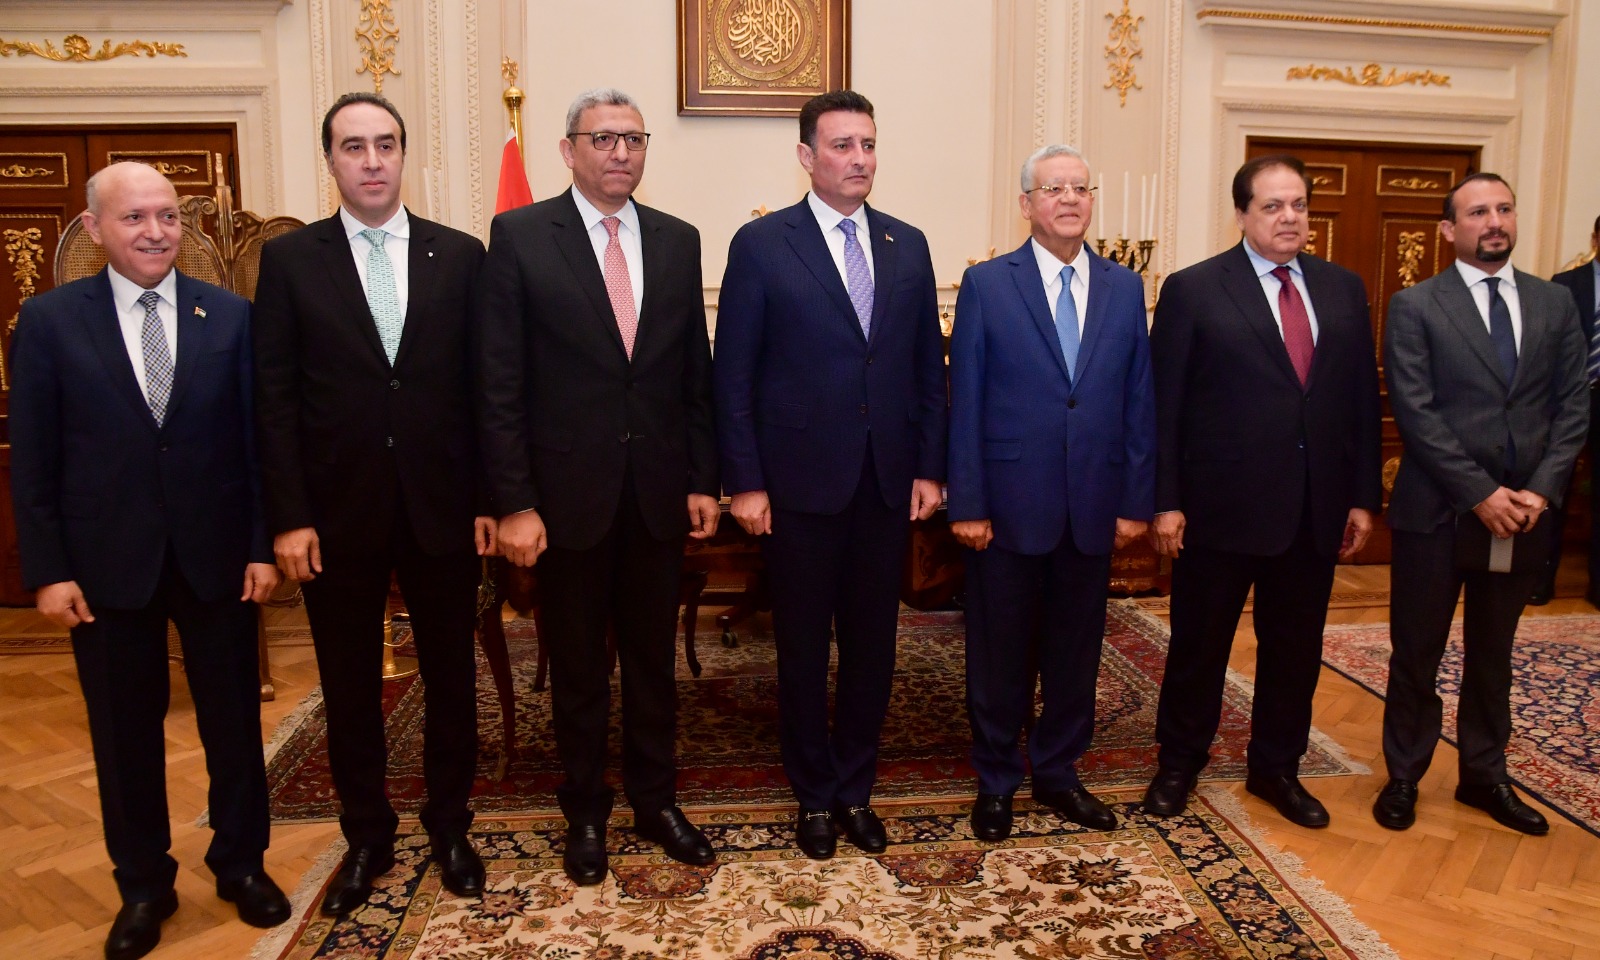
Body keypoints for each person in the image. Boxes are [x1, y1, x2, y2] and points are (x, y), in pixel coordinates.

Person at [9, 161, 290, 960]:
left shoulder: (230, 315)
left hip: (218, 561)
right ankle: (143, 885)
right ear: (94, 229)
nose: (156, 231)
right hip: (104, 568)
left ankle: (241, 864)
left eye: (167, 216)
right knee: (122, 735)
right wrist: (48, 570)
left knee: (233, 726)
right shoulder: (49, 321)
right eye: (134, 217)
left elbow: (258, 445)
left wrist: (260, 546)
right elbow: (34, 459)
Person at [252, 92, 490, 914]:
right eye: (354, 146)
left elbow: (485, 389)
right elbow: (274, 399)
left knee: (452, 678)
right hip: (335, 514)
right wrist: (288, 516)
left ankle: (451, 827)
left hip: (443, 508)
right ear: (331, 160)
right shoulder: (290, 262)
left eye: (385, 143)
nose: (373, 160)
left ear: (403, 154)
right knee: (349, 686)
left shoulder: (460, 256)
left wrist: (489, 498)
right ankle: (367, 837)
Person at [477, 88, 719, 886]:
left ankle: (656, 801)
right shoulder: (520, 236)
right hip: (564, 500)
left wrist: (702, 479)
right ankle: (584, 810)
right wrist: (515, 501)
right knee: (578, 668)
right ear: (568, 149)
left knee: (653, 664)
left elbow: (692, 374)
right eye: (603, 138)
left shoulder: (678, 240)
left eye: (633, 139)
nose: (621, 152)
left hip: (655, 494)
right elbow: (500, 382)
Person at [714, 89, 947, 859]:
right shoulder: (762, 244)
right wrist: (746, 482)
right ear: (807, 156)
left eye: (868, 144)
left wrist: (930, 467)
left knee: (874, 650)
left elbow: (926, 369)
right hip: (797, 488)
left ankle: (855, 790)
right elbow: (733, 374)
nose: (859, 159)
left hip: (886, 484)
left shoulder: (908, 243)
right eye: (842, 145)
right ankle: (813, 795)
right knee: (804, 652)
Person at [1145, 154, 1382, 828]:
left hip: (1313, 509)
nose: (1289, 218)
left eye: (1299, 205)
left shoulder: (1342, 289)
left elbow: (1360, 401)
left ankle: (1276, 768)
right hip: (1218, 509)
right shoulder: (1195, 289)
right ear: (1242, 214)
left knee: (1295, 650)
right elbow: (1164, 405)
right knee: (1199, 647)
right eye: (1273, 206)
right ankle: (1179, 763)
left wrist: (1362, 495)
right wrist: (1165, 499)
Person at [946, 145, 1155, 841]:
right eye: (1053, 188)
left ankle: (1060, 773)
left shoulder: (1124, 287)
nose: (1069, 198)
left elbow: (1138, 399)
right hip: (1006, 508)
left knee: (1075, 653)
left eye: (1079, 188)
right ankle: (996, 780)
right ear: (1026, 203)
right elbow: (965, 398)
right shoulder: (987, 284)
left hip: (1092, 506)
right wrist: (968, 502)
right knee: (999, 654)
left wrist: (1135, 500)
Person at [1375, 173, 1588, 835]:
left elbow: (1573, 406)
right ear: (1448, 230)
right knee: (1418, 652)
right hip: (1437, 514)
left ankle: (1484, 776)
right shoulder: (1416, 305)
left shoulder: (1555, 302)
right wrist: (1481, 494)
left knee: (1494, 655)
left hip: (1523, 516)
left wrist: (1539, 491)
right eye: (1476, 212)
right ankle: (1404, 775)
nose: (1493, 221)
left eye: (1503, 209)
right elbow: (1416, 412)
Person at [1532, 215, 1600, 606]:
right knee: (1553, 489)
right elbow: (1547, 346)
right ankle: (1541, 580)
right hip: (1567, 401)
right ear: (1594, 239)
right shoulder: (1565, 285)